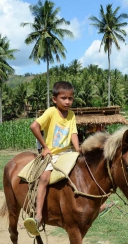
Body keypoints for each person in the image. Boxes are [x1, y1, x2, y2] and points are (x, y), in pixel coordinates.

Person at [26, 81, 80, 235]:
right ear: (55, 99)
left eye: (70, 98)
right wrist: (45, 147)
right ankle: (38, 214)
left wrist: (77, 149)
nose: (68, 101)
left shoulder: (71, 115)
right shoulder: (51, 112)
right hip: (52, 154)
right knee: (44, 178)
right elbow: (34, 126)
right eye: (64, 98)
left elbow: (73, 134)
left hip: (67, 152)